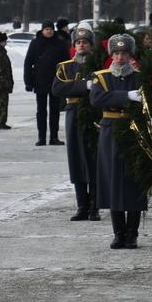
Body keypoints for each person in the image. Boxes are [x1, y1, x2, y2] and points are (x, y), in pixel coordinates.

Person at [89, 34, 149, 249]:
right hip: (110, 131)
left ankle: (132, 233)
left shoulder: (140, 77)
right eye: (116, 53)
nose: (120, 57)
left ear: (130, 55)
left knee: (133, 182)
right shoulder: (101, 77)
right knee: (113, 180)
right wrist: (126, 97)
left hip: (134, 131)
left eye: (124, 53)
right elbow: (97, 99)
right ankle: (118, 232)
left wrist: (118, 97)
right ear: (111, 55)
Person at [52, 29, 101, 222]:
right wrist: (83, 86)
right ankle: (82, 206)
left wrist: (77, 86)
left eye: (85, 42)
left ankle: (95, 206)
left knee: (93, 159)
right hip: (73, 112)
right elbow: (57, 88)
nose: (81, 44)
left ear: (91, 45)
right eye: (78, 42)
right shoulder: (65, 67)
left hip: (92, 113)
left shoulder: (97, 65)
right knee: (76, 159)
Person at [24, 22, 67, 146]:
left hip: (56, 81)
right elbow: (28, 63)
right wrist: (28, 82)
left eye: (51, 29)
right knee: (41, 111)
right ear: (42, 30)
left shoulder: (60, 43)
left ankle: (54, 137)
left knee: (55, 111)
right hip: (40, 80)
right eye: (46, 29)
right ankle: (41, 137)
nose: (49, 31)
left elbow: (66, 64)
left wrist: (65, 81)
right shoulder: (35, 43)